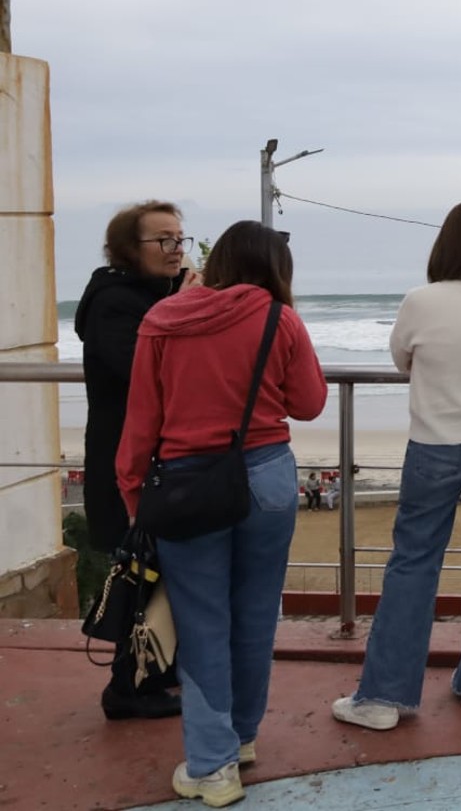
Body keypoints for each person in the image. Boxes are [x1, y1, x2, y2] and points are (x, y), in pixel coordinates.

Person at [116, 221, 327, 808]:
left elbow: (141, 423)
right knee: (256, 614)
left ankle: (211, 767)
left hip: (187, 487)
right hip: (265, 479)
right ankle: (242, 738)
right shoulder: (276, 317)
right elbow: (309, 403)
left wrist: (135, 495)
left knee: (202, 621)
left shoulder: (163, 322)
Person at [333, 203, 461, 731]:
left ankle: (383, 697)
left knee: (414, 564)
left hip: (437, 446)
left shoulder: (420, 302)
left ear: (443, 244)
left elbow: (402, 360)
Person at [74, 199, 200, 721]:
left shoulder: (154, 294)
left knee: (160, 572)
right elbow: (146, 370)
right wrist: (186, 306)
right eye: (164, 240)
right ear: (131, 249)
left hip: (154, 458)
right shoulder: (114, 302)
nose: (176, 250)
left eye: (180, 239)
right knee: (137, 573)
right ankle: (126, 689)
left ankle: (155, 677)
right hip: (123, 462)